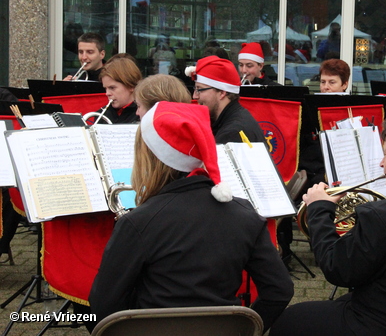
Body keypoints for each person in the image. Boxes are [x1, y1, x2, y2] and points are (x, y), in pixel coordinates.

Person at [89, 101, 294, 331]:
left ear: (150, 158)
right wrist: (242, 330)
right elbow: (279, 290)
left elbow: (102, 306)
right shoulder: (245, 215)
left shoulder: (138, 222)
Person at [270, 108, 386, 336]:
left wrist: (318, 209)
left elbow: (339, 270)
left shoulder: (383, 214)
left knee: (288, 322)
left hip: (382, 321)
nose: (382, 164)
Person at [186, 55, 264, 144]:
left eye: (199, 90)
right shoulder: (230, 120)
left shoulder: (232, 134)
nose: (194, 96)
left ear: (222, 93)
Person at [97, 55, 143, 124]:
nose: (107, 93)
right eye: (105, 88)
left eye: (112, 88)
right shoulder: (101, 115)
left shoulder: (144, 113)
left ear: (131, 86)